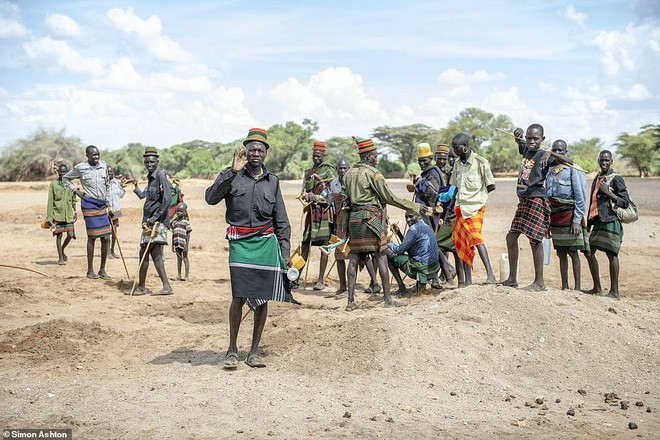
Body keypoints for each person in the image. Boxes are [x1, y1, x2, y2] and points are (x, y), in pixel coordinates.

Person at [205, 128, 296, 369]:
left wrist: (285, 254)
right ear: (244, 151)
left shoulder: (273, 181)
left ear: (266, 153)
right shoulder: (233, 176)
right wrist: (229, 172)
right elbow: (210, 198)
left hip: (266, 245)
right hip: (240, 244)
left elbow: (282, 221)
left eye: (260, 149)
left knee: (263, 298)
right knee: (238, 296)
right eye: (251, 149)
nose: (255, 153)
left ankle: (254, 352)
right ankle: (232, 349)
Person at [342, 137, 428, 311]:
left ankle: (350, 301)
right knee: (381, 256)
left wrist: (345, 228)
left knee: (353, 258)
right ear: (367, 157)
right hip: (372, 220)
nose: (376, 159)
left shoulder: (348, 174)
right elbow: (390, 198)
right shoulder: (373, 174)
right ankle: (387, 299)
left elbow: (345, 203)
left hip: (354, 220)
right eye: (374, 156)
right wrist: (416, 207)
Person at [502, 124, 573, 291]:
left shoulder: (544, 155)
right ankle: (512, 278)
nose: (531, 141)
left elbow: (570, 162)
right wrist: (517, 134)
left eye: (535, 138)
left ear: (543, 139)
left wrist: (550, 152)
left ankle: (539, 282)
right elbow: (519, 142)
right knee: (511, 238)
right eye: (529, 138)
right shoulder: (527, 149)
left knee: (535, 240)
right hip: (524, 200)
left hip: (536, 199)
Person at [449, 133, 497, 286]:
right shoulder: (457, 165)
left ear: (464, 147)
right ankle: (468, 281)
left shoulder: (480, 162)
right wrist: (451, 208)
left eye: (456, 148)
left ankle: (490, 275)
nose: (454, 151)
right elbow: (456, 188)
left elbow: (491, 185)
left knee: (476, 238)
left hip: (475, 208)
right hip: (460, 209)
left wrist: (478, 199)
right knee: (463, 243)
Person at [129, 147, 174, 296]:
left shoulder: (161, 175)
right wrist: (135, 187)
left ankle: (151, 287)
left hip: (157, 222)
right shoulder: (151, 177)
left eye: (152, 162)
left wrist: (155, 218)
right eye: (147, 162)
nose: (149, 164)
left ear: (157, 161)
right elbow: (143, 196)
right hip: (148, 221)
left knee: (150, 252)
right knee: (148, 253)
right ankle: (151, 286)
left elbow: (167, 198)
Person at [545, 140, 589, 290]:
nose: (557, 153)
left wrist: (577, 220)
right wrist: (547, 224)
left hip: (570, 216)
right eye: (555, 150)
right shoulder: (550, 170)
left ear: (566, 152)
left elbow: (580, 197)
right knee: (561, 253)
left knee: (573, 252)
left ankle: (577, 288)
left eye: (560, 151)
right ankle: (565, 286)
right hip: (555, 217)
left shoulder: (573, 169)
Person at [585, 150, 630, 299]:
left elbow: (624, 202)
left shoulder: (616, 178)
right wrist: (589, 222)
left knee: (612, 255)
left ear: (611, 162)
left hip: (611, 221)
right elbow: (592, 201)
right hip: (598, 221)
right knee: (589, 252)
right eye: (602, 160)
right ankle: (597, 288)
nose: (604, 163)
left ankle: (614, 292)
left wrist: (608, 192)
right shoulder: (597, 177)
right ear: (598, 161)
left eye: (607, 160)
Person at [63, 145, 112, 279]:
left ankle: (102, 270)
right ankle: (90, 270)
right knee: (92, 237)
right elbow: (65, 178)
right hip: (89, 204)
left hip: (102, 204)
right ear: (87, 155)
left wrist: (109, 201)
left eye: (98, 154)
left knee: (106, 237)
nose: (96, 157)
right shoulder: (81, 168)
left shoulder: (104, 165)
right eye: (93, 155)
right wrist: (76, 191)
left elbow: (108, 184)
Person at [300, 141, 337, 291]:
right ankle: (296, 276)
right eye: (314, 156)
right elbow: (303, 191)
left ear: (324, 155)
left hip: (323, 213)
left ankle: (320, 280)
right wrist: (306, 196)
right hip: (311, 212)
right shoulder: (308, 172)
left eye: (319, 156)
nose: (316, 158)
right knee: (304, 245)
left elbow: (334, 193)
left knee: (324, 246)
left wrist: (316, 198)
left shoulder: (329, 171)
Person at [412, 143, 445, 288]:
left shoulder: (433, 172)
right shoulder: (426, 173)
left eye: (425, 160)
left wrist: (420, 183)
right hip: (424, 215)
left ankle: (436, 278)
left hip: (431, 215)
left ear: (431, 158)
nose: (422, 163)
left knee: (428, 246)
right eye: (420, 160)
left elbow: (434, 195)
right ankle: (430, 279)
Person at [386, 211, 439, 295]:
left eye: (411, 216)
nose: (408, 220)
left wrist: (388, 244)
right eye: (406, 217)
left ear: (419, 216)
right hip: (434, 269)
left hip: (422, 270)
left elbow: (399, 250)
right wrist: (399, 233)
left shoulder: (413, 229)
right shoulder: (426, 226)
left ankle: (401, 287)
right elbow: (409, 247)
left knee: (387, 250)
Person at [45, 163, 77, 265]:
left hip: (68, 215)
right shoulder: (53, 185)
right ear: (58, 172)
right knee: (59, 236)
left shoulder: (71, 185)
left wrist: (75, 211)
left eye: (64, 172)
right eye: (61, 172)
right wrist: (49, 218)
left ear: (68, 173)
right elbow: (50, 202)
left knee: (71, 235)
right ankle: (60, 258)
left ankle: (62, 249)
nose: (62, 173)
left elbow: (73, 199)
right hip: (57, 215)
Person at [170, 202, 192, 281]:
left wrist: (186, 245)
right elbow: (173, 233)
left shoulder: (186, 222)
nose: (178, 213)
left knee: (185, 259)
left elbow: (188, 234)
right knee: (179, 259)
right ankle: (179, 275)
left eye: (180, 211)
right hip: (177, 243)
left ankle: (186, 276)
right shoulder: (174, 222)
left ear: (185, 212)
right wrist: (172, 245)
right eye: (177, 211)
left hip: (183, 243)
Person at [107, 166, 126, 259]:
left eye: (111, 172)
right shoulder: (104, 184)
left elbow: (121, 195)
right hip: (106, 210)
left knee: (114, 231)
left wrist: (122, 186)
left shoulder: (117, 183)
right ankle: (107, 252)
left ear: (113, 173)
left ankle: (112, 250)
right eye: (108, 172)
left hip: (116, 209)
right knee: (106, 232)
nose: (109, 174)